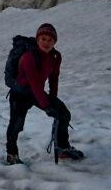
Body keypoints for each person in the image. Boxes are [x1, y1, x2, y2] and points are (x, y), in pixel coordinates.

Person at [5, 23, 83, 164]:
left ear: (55, 42)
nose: (46, 43)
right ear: (37, 40)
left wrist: (53, 99)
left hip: (37, 93)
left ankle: (62, 148)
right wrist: (47, 106)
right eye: (43, 39)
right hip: (20, 94)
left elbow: (54, 78)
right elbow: (34, 83)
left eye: (50, 40)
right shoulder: (29, 57)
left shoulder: (55, 57)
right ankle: (12, 154)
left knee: (63, 114)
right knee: (16, 125)